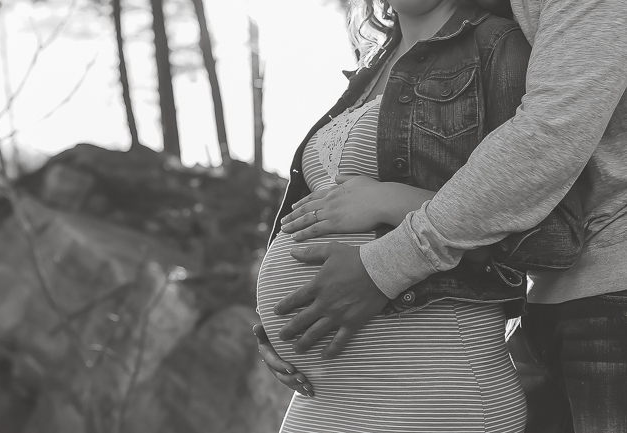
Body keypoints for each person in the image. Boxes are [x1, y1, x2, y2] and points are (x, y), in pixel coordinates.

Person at [258, 0, 627, 431]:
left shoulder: (495, 43)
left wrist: (382, 251)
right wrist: (282, 312)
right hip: (336, 390)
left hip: (442, 376)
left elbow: (546, 154)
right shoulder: (378, 62)